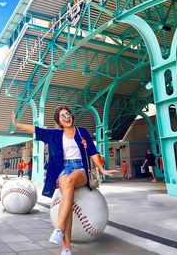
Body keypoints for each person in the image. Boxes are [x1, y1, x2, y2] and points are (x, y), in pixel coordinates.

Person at [11, 106, 118, 255]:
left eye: (68, 114)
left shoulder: (82, 132)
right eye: (62, 116)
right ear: (59, 122)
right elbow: (36, 130)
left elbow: (93, 152)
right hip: (63, 169)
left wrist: (102, 168)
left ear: (72, 116)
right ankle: (66, 248)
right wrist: (17, 124)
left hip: (80, 168)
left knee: (68, 183)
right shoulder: (55, 134)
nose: (67, 117)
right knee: (66, 193)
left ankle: (59, 229)